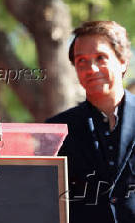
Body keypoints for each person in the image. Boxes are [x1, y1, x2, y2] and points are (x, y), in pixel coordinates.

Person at [47, 21, 135, 222]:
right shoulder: (57, 132)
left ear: (122, 61)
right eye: (81, 61)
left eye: (100, 58)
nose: (91, 68)